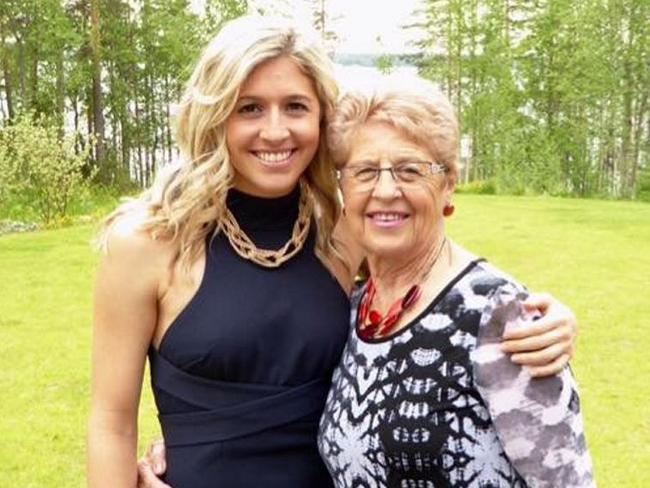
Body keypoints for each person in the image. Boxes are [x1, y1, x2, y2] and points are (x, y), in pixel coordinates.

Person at [87, 15, 578, 488]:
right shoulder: (147, 243)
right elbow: (111, 422)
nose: (276, 131)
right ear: (215, 116)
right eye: (250, 107)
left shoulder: (342, 233)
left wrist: (540, 317)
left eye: (295, 107)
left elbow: (437, 282)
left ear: (322, 118)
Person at [316, 78, 595, 487]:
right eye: (365, 171)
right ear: (343, 186)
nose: (386, 190)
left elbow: (566, 481)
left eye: (410, 170)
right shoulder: (356, 306)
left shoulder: (497, 316)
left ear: (448, 182)